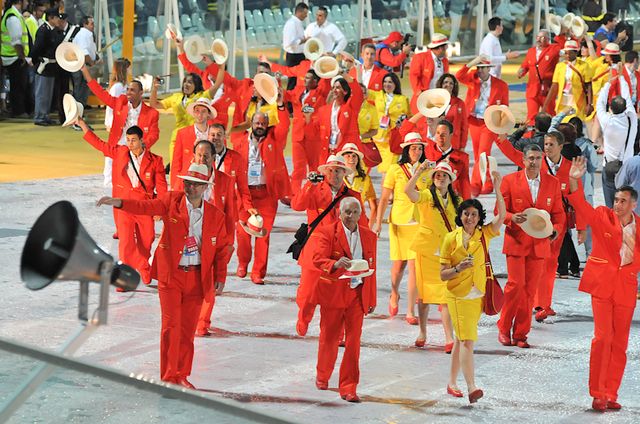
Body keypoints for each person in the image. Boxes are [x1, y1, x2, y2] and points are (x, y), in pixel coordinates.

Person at [96, 163, 231, 389]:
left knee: (187, 332)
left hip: (197, 279)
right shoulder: (172, 201)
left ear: (205, 187)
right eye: (188, 183)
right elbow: (145, 206)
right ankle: (169, 377)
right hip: (172, 277)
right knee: (171, 327)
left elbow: (222, 249)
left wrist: (221, 276)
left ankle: (182, 374)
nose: (190, 188)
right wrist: (119, 202)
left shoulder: (216, 215)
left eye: (196, 185)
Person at [566, 156, 639, 412]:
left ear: (633, 204)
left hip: (626, 291)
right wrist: (574, 179)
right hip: (602, 287)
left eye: (622, 201)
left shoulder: (639, 228)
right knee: (603, 338)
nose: (617, 205)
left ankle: (611, 392)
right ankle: (598, 393)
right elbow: (580, 205)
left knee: (620, 344)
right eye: (616, 200)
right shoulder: (602, 216)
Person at [439, 173, 505, 404]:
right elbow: (443, 274)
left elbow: (502, 216)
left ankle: (451, 382)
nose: (469, 217)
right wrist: (458, 268)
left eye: (474, 214)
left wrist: (497, 188)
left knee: (460, 340)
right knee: (467, 340)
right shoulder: (450, 239)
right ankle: (471, 387)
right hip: (458, 295)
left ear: (479, 218)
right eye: (466, 213)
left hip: (478, 295)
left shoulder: (483, 235)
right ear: (460, 215)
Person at [78, 118, 167, 286]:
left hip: (144, 207)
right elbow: (100, 145)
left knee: (146, 240)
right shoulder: (121, 152)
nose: (130, 143)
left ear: (142, 140)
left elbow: (162, 188)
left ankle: (143, 265)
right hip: (123, 205)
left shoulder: (156, 161)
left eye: (133, 140)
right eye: (128, 140)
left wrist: (159, 210)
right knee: (125, 242)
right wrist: (83, 125)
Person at [307, 197, 377, 403]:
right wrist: (335, 263)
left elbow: (372, 269)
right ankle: (323, 374)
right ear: (340, 212)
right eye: (348, 212)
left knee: (353, 343)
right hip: (334, 294)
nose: (351, 216)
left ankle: (349, 387)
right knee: (329, 338)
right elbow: (317, 258)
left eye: (356, 212)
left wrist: (371, 298)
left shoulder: (369, 236)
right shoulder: (328, 232)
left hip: (357, 295)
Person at [497, 144, 565, 348]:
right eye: (530, 158)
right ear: (523, 161)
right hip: (516, 243)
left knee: (529, 291)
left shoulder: (552, 183)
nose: (534, 162)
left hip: (539, 245)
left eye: (537, 158)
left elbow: (559, 214)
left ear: (542, 159)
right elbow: (499, 211)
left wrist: (555, 230)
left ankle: (521, 333)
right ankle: (503, 327)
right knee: (514, 286)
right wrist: (511, 217)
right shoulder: (510, 181)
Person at [292, 155, 367, 337]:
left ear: (344, 173)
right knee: (308, 293)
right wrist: (309, 184)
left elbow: (363, 224)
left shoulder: (353, 196)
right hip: (315, 250)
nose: (334, 174)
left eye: (338, 170)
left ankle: (336, 332)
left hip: (341, 251)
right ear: (325, 172)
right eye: (331, 170)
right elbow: (297, 205)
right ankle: (304, 318)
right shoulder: (314, 190)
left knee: (338, 294)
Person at [235, 94, 291, 285]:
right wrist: (249, 100)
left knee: (262, 235)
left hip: (266, 195)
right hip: (245, 194)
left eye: (263, 124)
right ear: (251, 123)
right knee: (242, 234)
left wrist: (281, 104)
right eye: (257, 123)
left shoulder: (275, 140)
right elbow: (234, 120)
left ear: (267, 125)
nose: (260, 126)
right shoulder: (240, 141)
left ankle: (258, 272)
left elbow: (284, 125)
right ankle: (243, 262)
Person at [373, 135, 430, 324]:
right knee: (399, 265)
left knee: (415, 265)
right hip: (399, 222)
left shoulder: (427, 170)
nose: (417, 152)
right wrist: (378, 222)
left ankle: (410, 311)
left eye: (420, 149)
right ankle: (394, 293)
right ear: (407, 150)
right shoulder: (395, 170)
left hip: (419, 223)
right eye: (413, 148)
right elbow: (383, 198)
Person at [405, 161, 460, 351]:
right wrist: (419, 172)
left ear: (450, 179)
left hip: (446, 253)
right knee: (424, 296)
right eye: (437, 174)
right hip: (426, 251)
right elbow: (408, 192)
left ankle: (448, 338)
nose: (440, 177)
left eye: (444, 175)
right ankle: (422, 332)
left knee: (445, 296)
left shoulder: (456, 201)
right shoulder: (427, 195)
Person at [190, 140, 236, 337]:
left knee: (210, 284)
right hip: (191, 240)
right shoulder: (186, 179)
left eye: (206, 156)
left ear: (213, 158)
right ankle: (191, 318)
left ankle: (202, 323)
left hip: (215, 241)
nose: (202, 159)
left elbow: (231, 214)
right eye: (199, 155)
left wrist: (229, 244)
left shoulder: (225, 181)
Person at [149, 60, 223, 164]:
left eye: (190, 82)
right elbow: (154, 104)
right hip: (177, 138)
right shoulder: (176, 97)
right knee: (175, 166)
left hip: (194, 139)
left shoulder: (202, 96)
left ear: (196, 85)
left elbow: (218, 84)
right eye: (185, 81)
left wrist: (221, 65)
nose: (186, 84)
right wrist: (155, 88)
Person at [456, 55, 509, 196]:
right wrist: (472, 62)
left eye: (483, 68)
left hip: (489, 123)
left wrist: (503, 128)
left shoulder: (501, 85)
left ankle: (475, 183)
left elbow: (505, 108)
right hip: (473, 121)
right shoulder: (472, 80)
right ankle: (488, 182)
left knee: (483, 153)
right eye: (478, 68)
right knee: (479, 152)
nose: (480, 71)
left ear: (489, 69)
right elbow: (459, 76)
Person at [399, 118, 472, 199]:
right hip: (426, 199)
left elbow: (464, 184)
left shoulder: (462, 157)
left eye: (443, 134)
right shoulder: (426, 148)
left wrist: (467, 204)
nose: (440, 137)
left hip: (448, 201)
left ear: (451, 135)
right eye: (438, 133)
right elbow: (404, 130)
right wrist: (422, 112)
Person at [285, 69, 331, 194]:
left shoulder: (321, 93)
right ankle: (294, 194)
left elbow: (326, 82)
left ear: (316, 81)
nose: (305, 79)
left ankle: (315, 192)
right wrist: (275, 82)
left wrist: (324, 66)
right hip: (298, 135)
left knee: (314, 167)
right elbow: (285, 95)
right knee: (298, 168)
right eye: (305, 77)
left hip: (313, 135)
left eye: (309, 78)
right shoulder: (298, 91)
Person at [598, 76, 638, 208]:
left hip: (609, 167)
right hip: (627, 166)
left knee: (611, 205)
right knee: (627, 204)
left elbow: (600, 103)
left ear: (611, 108)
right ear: (625, 107)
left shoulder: (607, 121)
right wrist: (621, 78)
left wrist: (609, 82)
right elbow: (627, 96)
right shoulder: (631, 119)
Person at [316, 63, 363, 161]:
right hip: (328, 151)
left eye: (338, 88)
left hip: (346, 151)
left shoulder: (350, 107)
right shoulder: (324, 110)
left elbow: (357, 91)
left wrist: (342, 73)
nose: (334, 90)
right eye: (333, 88)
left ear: (345, 92)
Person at [170, 97, 218, 190]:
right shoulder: (182, 133)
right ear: (193, 113)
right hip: (187, 181)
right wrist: (174, 186)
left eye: (203, 111)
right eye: (197, 111)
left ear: (208, 114)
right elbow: (176, 163)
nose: (200, 114)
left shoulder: (216, 135)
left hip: (210, 182)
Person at [517, 29, 562, 124]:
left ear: (548, 39)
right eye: (538, 37)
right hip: (532, 89)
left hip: (547, 89)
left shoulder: (553, 49)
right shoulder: (531, 51)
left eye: (543, 37)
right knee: (531, 116)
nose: (539, 39)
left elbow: (562, 45)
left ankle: (551, 134)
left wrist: (561, 34)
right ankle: (529, 136)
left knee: (549, 114)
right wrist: (522, 70)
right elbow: (525, 64)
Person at [544, 40, 594, 123]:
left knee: (574, 125)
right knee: (562, 125)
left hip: (578, 102)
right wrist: (546, 105)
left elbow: (589, 86)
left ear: (575, 53)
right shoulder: (560, 66)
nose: (567, 55)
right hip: (562, 101)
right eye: (566, 53)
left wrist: (589, 104)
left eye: (570, 53)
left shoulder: (584, 66)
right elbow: (554, 86)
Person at [370, 72, 410, 173]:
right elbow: (361, 89)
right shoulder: (377, 95)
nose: (387, 84)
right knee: (382, 168)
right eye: (385, 82)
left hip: (393, 138)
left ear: (395, 84)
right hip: (378, 138)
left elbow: (409, 117)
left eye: (390, 82)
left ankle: (387, 188)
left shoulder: (403, 99)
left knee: (389, 169)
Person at [30, 7, 62, 126]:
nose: (59, 19)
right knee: (42, 92)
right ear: (50, 18)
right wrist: (35, 60)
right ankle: (39, 116)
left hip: (51, 66)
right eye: (56, 17)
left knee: (47, 93)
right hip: (44, 65)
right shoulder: (43, 30)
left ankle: (45, 115)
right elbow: (37, 48)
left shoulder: (53, 30)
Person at [1, 0, 33, 118]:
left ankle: (20, 110)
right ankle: (18, 111)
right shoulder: (12, 17)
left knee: (19, 85)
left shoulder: (14, 15)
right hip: (13, 57)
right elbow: (16, 41)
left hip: (13, 56)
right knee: (18, 86)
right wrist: (22, 56)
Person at [102, 57, 131, 188]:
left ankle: (121, 176)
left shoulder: (125, 86)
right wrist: (109, 122)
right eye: (129, 67)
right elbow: (111, 105)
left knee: (124, 149)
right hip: (116, 123)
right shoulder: (118, 87)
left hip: (124, 122)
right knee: (112, 150)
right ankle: (108, 178)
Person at [409, 33, 449, 113]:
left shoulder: (445, 61)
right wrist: (418, 92)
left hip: (439, 99)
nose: (446, 49)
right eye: (446, 47)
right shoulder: (420, 57)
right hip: (423, 97)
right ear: (440, 48)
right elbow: (413, 75)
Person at [338, 143, 377, 225]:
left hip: (359, 221)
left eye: (354, 156)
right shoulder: (335, 178)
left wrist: (369, 226)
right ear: (342, 159)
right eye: (348, 156)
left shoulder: (365, 179)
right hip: (338, 221)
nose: (351, 159)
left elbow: (373, 206)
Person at [436, 73, 468, 150]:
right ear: (441, 84)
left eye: (451, 83)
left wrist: (462, 145)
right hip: (437, 142)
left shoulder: (459, 103)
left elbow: (464, 126)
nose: (448, 85)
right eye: (445, 82)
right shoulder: (434, 101)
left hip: (454, 142)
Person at [71, 15, 97, 108]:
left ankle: (82, 104)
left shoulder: (88, 34)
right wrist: (91, 63)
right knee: (80, 87)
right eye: (91, 24)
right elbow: (84, 52)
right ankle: (78, 107)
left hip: (84, 64)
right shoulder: (83, 34)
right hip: (80, 65)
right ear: (84, 24)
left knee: (84, 86)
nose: (93, 26)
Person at [282, 2, 309, 89]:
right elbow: (289, 42)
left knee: (299, 80)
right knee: (293, 80)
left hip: (299, 55)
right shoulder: (291, 24)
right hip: (294, 56)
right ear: (299, 12)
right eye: (305, 13)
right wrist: (303, 40)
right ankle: (289, 101)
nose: (306, 16)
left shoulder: (297, 23)